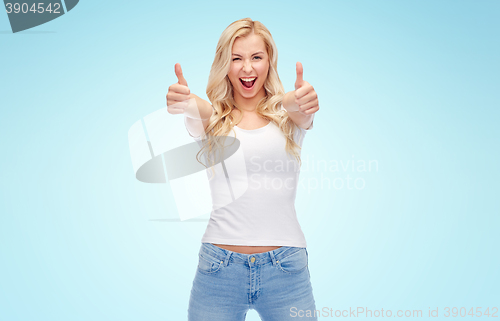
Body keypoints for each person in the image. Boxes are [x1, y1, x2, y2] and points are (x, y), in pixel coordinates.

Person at [167, 17, 320, 321]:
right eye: (237, 58)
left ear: (268, 62)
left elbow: (293, 104)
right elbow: (199, 108)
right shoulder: (212, 119)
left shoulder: (287, 117)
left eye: (256, 57)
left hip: (286, 268)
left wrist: (303, 97)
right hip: (218, 269)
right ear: (225, 64)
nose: (247, 68)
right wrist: (184, 101)